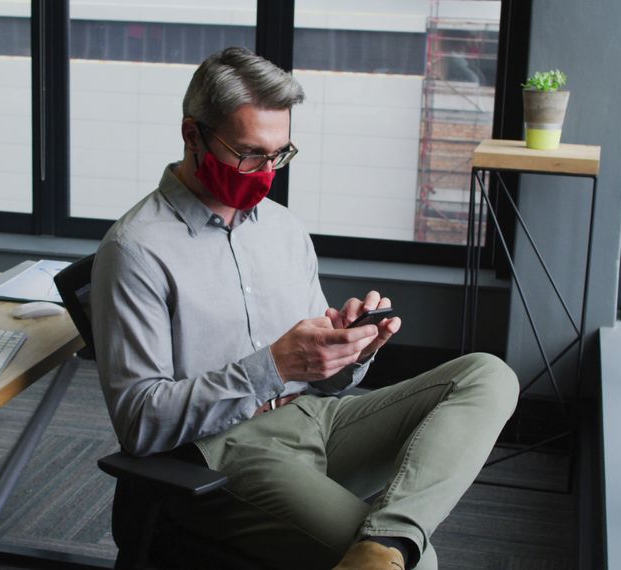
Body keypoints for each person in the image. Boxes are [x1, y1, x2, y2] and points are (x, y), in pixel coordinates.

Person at [90, 47, 518, 570]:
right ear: (191, 135)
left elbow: (327, 384)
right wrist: (272, 367)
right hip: (226, 451)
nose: (265, 172)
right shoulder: (135, 250)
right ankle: (399, 549)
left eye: (278, 155)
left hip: (318, 418)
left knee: (487, 375)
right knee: (420, 567)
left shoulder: (283, 229)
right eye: (248, 153)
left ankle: (391, 539)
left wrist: (348, 352)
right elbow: (139, 422)